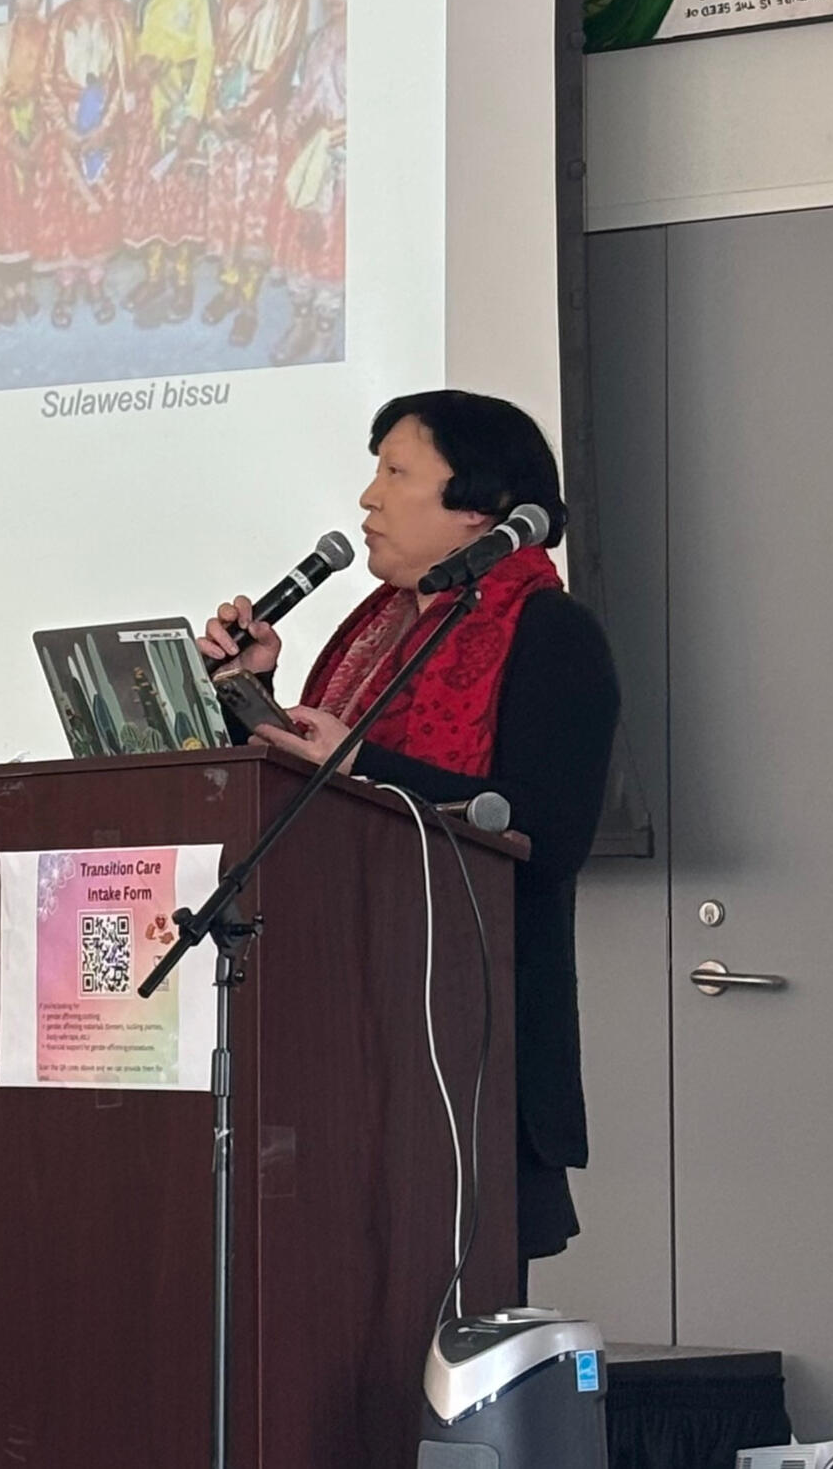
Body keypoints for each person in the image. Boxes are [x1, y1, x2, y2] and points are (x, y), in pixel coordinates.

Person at [200, 392, 619, 1284]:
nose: (367, 498)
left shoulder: (552, 633)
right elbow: (324, 799)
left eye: (395, 472)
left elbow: (549, 829)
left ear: (477, 505)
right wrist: (249, 702)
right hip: (335, 1034)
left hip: (469, 1053)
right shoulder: (381, 632)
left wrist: (356, 764)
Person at [205, 0, 310, 346]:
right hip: (229, 119)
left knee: (255, 214)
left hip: (263, 120)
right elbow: (219, 54)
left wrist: (249, 110)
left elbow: (283, 60)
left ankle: (249, 301)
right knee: (227, 208)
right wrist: (217, 107)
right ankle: (227, 289)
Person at [34, 0, 137, 327]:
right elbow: (45, 79)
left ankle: (95, 281)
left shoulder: (121, 13)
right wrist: (66, 129)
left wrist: (103, 128)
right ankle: (66, 281)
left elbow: (127, 78)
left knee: (99, 206)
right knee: (67, 207)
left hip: (104, 126)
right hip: (68, 126)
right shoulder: (60, 18)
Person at [125, 0, 218, 327]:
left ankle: (182, 281)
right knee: (151, 197)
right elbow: (137, 53)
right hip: (151, 110)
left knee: (181, 198)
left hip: (183, 107)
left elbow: (206, 54)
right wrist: (141, 70)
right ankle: (154, 275)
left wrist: (193, 117)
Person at [274, 0, 348, 367]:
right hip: (312, 158)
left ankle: (324, 328)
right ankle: (300, 320)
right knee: (302, 242)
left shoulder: (371, 42)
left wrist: (346, 130)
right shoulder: (317, 41)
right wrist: (292, 121)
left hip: (345, 163)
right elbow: (305, 93)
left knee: (331, 249)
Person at [0, 0, 51, 332]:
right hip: (6, 138)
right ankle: (4, 288)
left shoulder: (50, 34)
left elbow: (53, 86)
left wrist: (38, 136)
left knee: (29, 212)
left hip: (38, 130)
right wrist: (9, 139)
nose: (27, 1)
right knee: (6, 211)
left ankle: (24, 285)